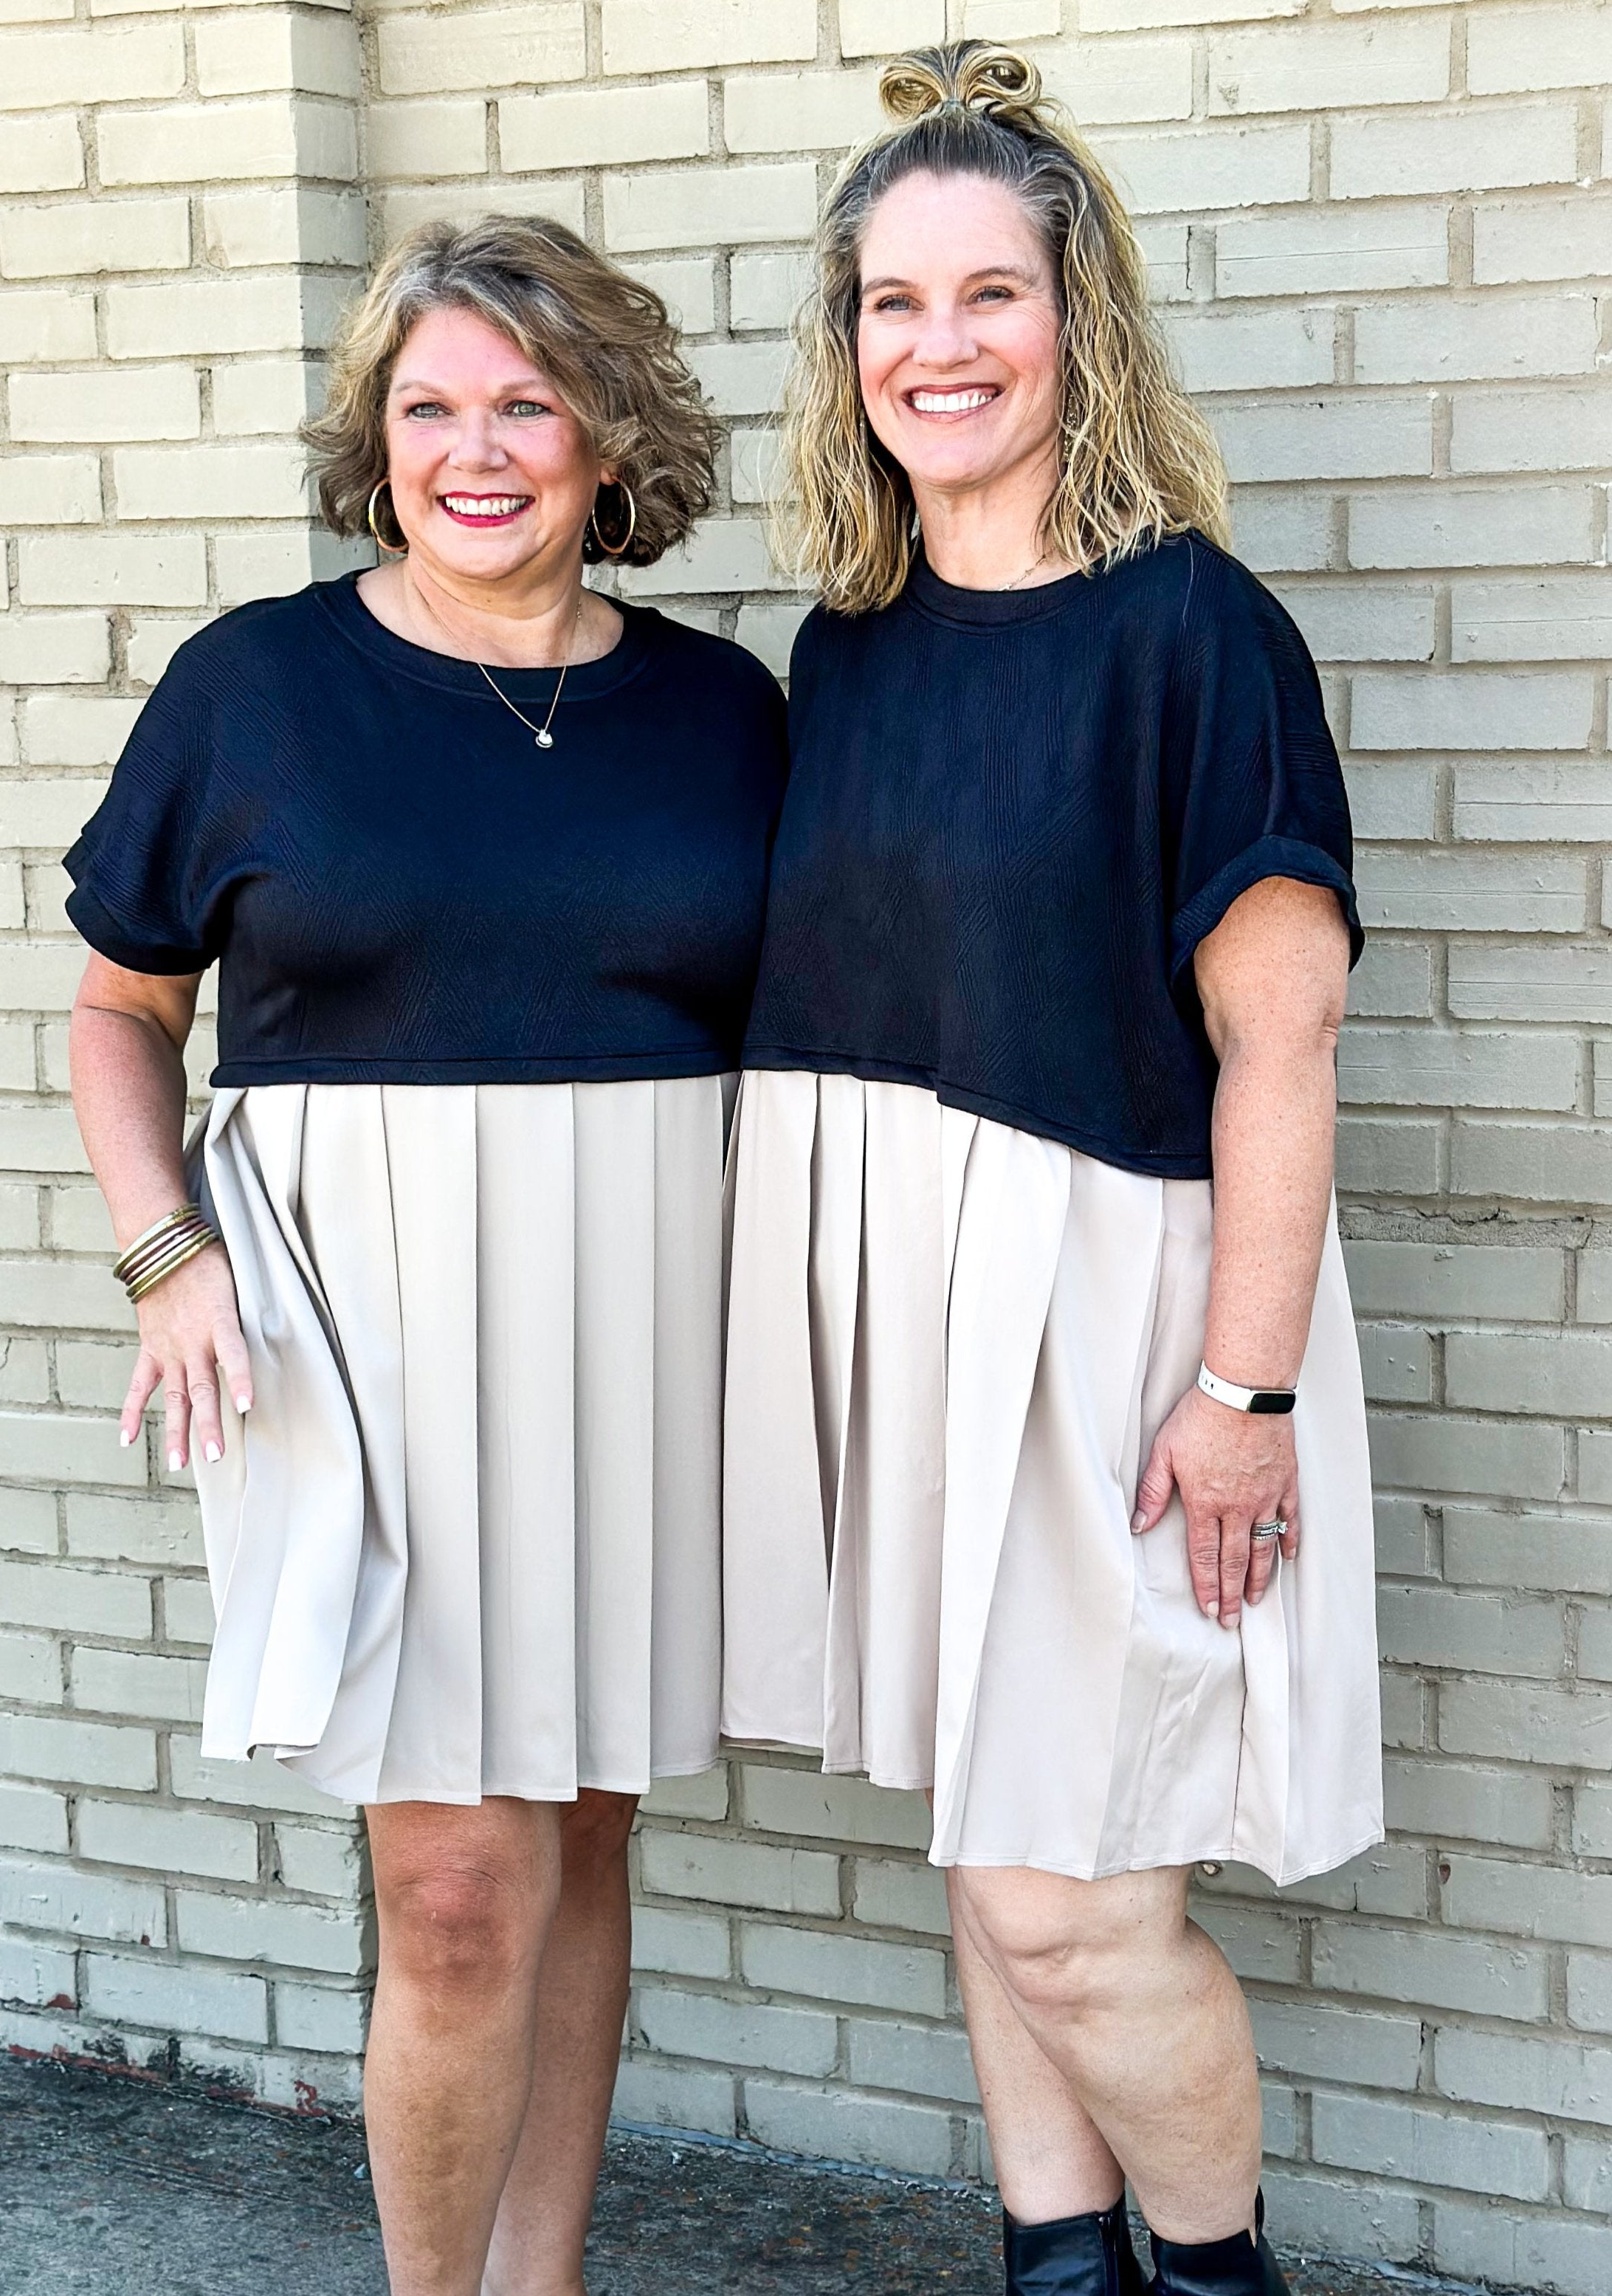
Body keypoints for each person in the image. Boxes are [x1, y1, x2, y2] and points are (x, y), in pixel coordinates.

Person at [65, 214, 787, 2296]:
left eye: (525, 406)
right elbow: (122, 1010)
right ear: (375, 443)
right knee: (457, 1880)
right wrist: (165, 1254)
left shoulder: (722, 713)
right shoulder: (257, 686)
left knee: (580, 1827)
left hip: (644, 1313)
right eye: (428, 410)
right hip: (354, 1326)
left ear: (604, 437)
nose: (477, 453)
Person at [723, 44, 1381, 2296]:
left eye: (989, 294)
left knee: (1076, 1896)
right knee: (988, 1844)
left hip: (1124, 1318)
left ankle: (1215, 2280)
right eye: (892, 305)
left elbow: (1279, 1043)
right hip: (918, 1310)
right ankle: (1058, 2266)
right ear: (849, 347)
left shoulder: (1196, 632)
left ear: (1077, 321)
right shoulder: (856, 643)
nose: (940, 347)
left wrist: (1247, 1394)